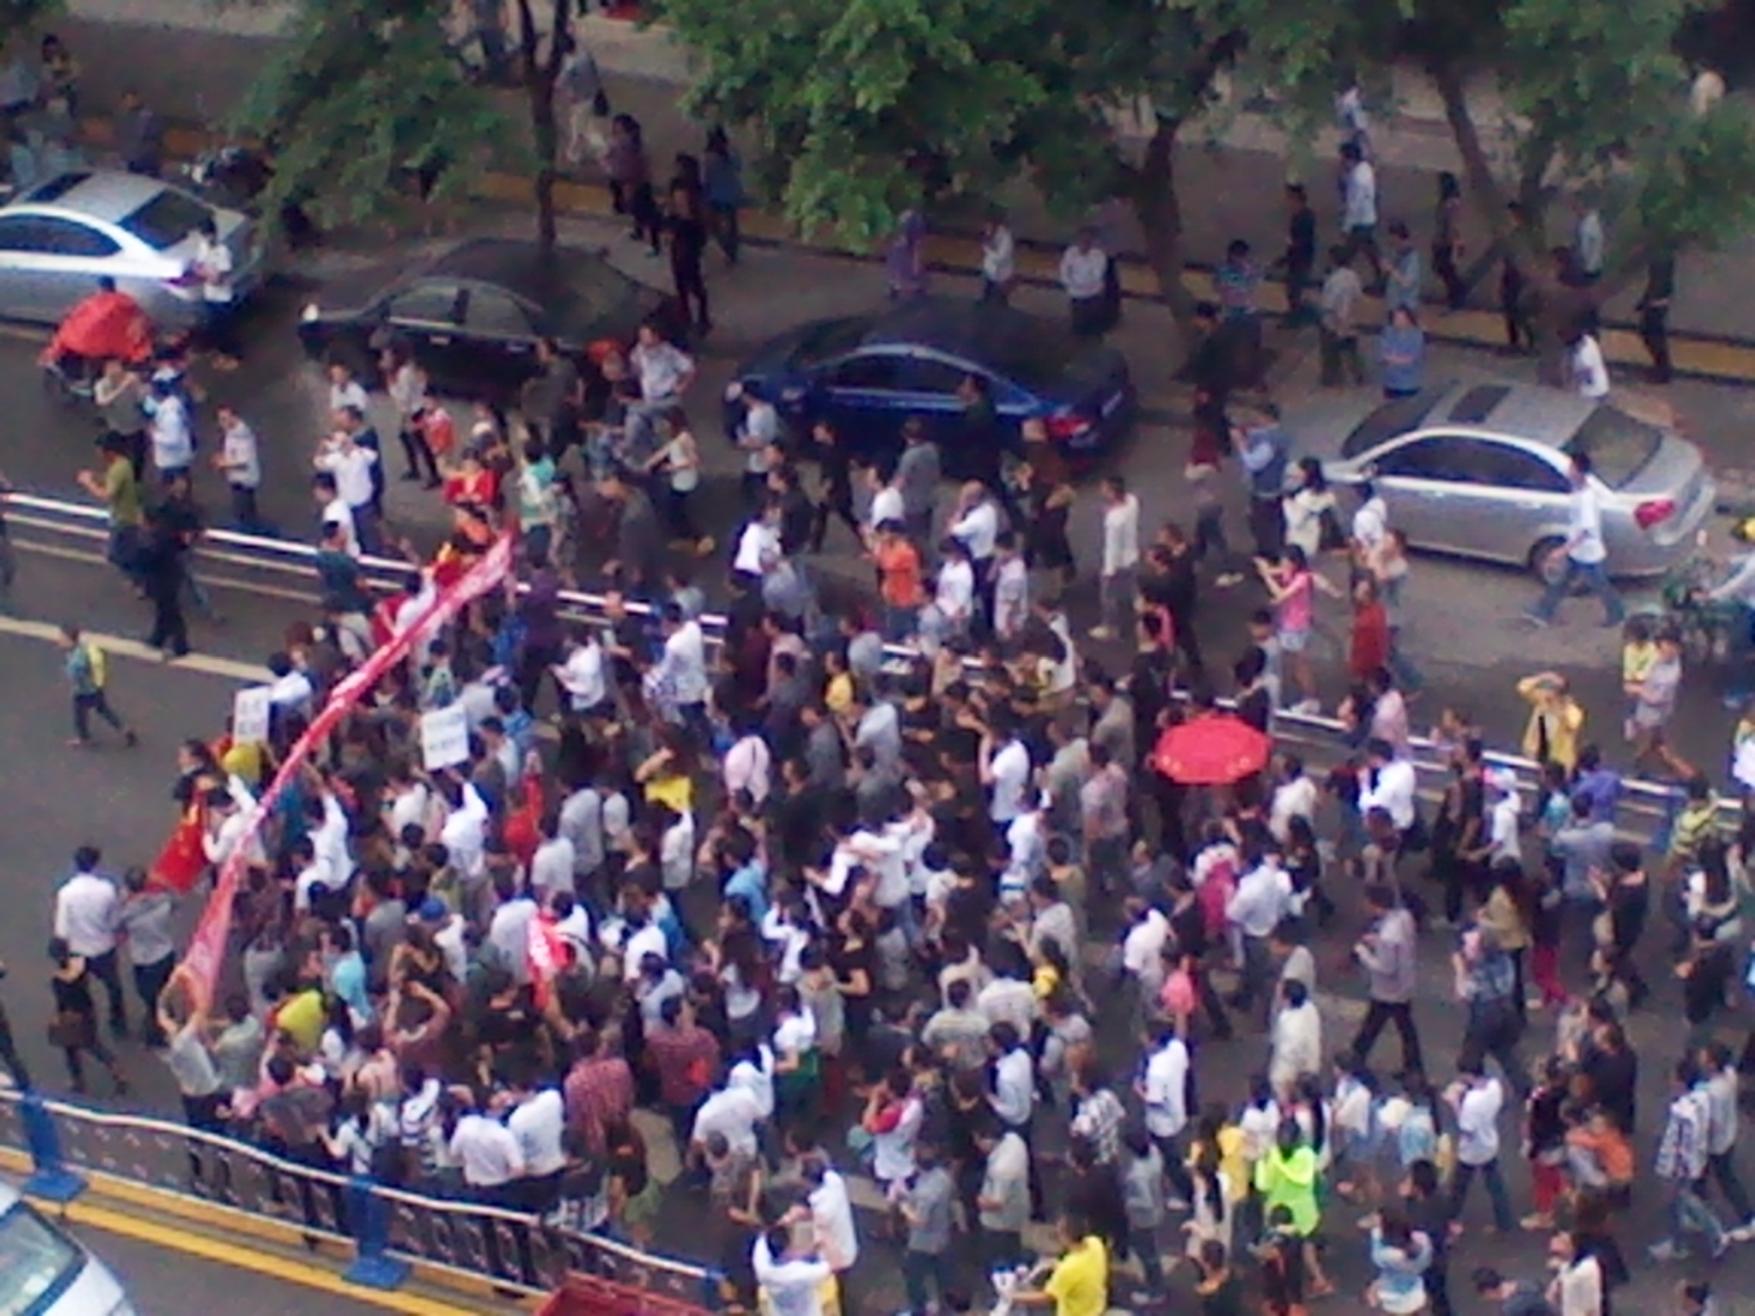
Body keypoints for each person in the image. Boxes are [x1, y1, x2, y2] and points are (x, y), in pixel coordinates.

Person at [1526, 453, 1623, 628]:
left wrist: (1563, 550)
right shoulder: (1581, 491)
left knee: (1599, 585)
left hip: (1587, 553)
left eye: (1571, 467)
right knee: (1563, 582)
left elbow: (1586, 530)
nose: (1568, 471)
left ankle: (1616, 614)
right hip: (1580, 552)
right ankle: (1544, 611)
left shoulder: (1585, 499)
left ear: (1579, 471)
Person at [46, 937, 127, 1095]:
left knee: (70, 1050)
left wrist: (57, 1016)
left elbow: (62, 1003)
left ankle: (78, 1082)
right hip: (87, 1012)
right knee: (92, 1044)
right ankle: (116, 1070)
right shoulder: (80, 967)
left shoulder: (58, 980)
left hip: (70, 1016)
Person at [57, 624, 137, 749]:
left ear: (70, 640)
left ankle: (84, 738)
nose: (59, 641)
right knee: (104, 710)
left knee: (79, 715)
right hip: (96, 687)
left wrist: (67, 671)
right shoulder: (83, 649)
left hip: (83, 691)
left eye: (62, 638)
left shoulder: (76, 659)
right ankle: (124, 729)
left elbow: (75, 675)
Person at [1091, 475, 1139, 641]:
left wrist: (1108, 570)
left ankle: (1110, 627)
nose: (1102, 491)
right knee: (1133, 590)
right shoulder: (1132, 502)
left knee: (1108, 596)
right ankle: (1143, 616)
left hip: (1117, 563)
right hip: (1131, 555)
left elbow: (1113, 547)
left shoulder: (1114, 520)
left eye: (1105, 489)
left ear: (1112, 492)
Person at [1319, 246, 1365, 386]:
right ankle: (1357, 376)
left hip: (1333, 322)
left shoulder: (1333, 280)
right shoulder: (1353, 276)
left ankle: (1331, 379)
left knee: (1330, 353)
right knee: (1351, 350)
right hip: (1350, 320)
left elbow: (1329, 304)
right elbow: (1358, 296)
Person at [1060, 227, 1110, 337]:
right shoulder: (1070, 253)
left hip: (1093, 294)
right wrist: (1070, 284)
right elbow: (1064, 271)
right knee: (1078, 322)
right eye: (1082, 240)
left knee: (1094, 322)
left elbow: (1096, 275)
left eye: (1087, 241)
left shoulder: (1098, 255)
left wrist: (1082, 284)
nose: (1084, 244)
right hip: (1075, 294)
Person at [1637, 253, 1675, 384]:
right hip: (1658, 299)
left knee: (1652, 334)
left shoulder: (1661, 258)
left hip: (1657, 301)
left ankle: (1662, 369)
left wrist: (1648, 300)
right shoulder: (1664, 257)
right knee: (1653, 334)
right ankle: (1661, 367)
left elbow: (1658, 282)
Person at [1432, 172, 1467, 311]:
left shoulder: (1451, 204)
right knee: (1442, 270)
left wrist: (1454, 247)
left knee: (1447, 270)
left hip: (1448, 242)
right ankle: (1455, 295)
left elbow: (1453, 226)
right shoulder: (1445, 202)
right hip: (1442, 241)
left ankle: (1456, 296)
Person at [1380, 306, 1426, 399]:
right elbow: (1382, 352)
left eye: (1401, 319)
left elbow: (1411, 359)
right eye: (1396, 318)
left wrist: (1393, 358)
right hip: (1390, 382)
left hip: (1408, 384)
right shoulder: (1388, 332)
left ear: (1409, 319)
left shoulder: (1416, 336)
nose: (1398, 321)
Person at [981, 208, 1016, 303]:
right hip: (990, 271)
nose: (986, 228)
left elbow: (1001, 257)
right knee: (987, 294)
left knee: (1000, 298)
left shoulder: (1006, 238)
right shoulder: (989, 234)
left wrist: (988, 250)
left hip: (1002, 274)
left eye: (989, 226)